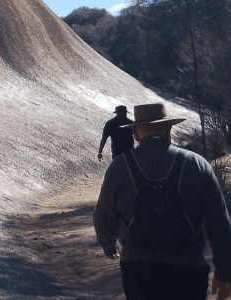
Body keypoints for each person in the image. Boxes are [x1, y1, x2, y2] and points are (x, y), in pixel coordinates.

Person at [93, 103, 231, 300]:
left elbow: (103, 215)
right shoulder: (197, 164)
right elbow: (220, 221)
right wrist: (225, 271)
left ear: (136, 134)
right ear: (169, 129)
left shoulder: (120, 166)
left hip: (138, 270)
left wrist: (109, 247)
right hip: (189, 269)